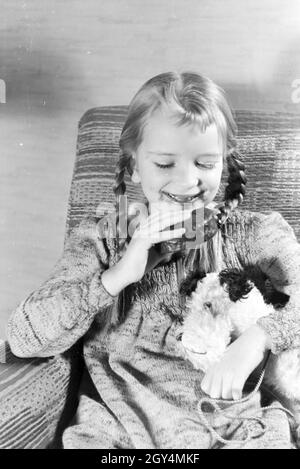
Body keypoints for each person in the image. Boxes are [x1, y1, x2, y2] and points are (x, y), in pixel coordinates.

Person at [6, 71, 300, 449]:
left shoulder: (254, 233)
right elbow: (25, 337)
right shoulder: (104, 235)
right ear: (132, 165)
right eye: (164, 165)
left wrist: (260, 337)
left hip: (235, 434)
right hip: (120, 440)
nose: (187, 181)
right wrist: (117, 275)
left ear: (224, 164)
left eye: (205, 164)